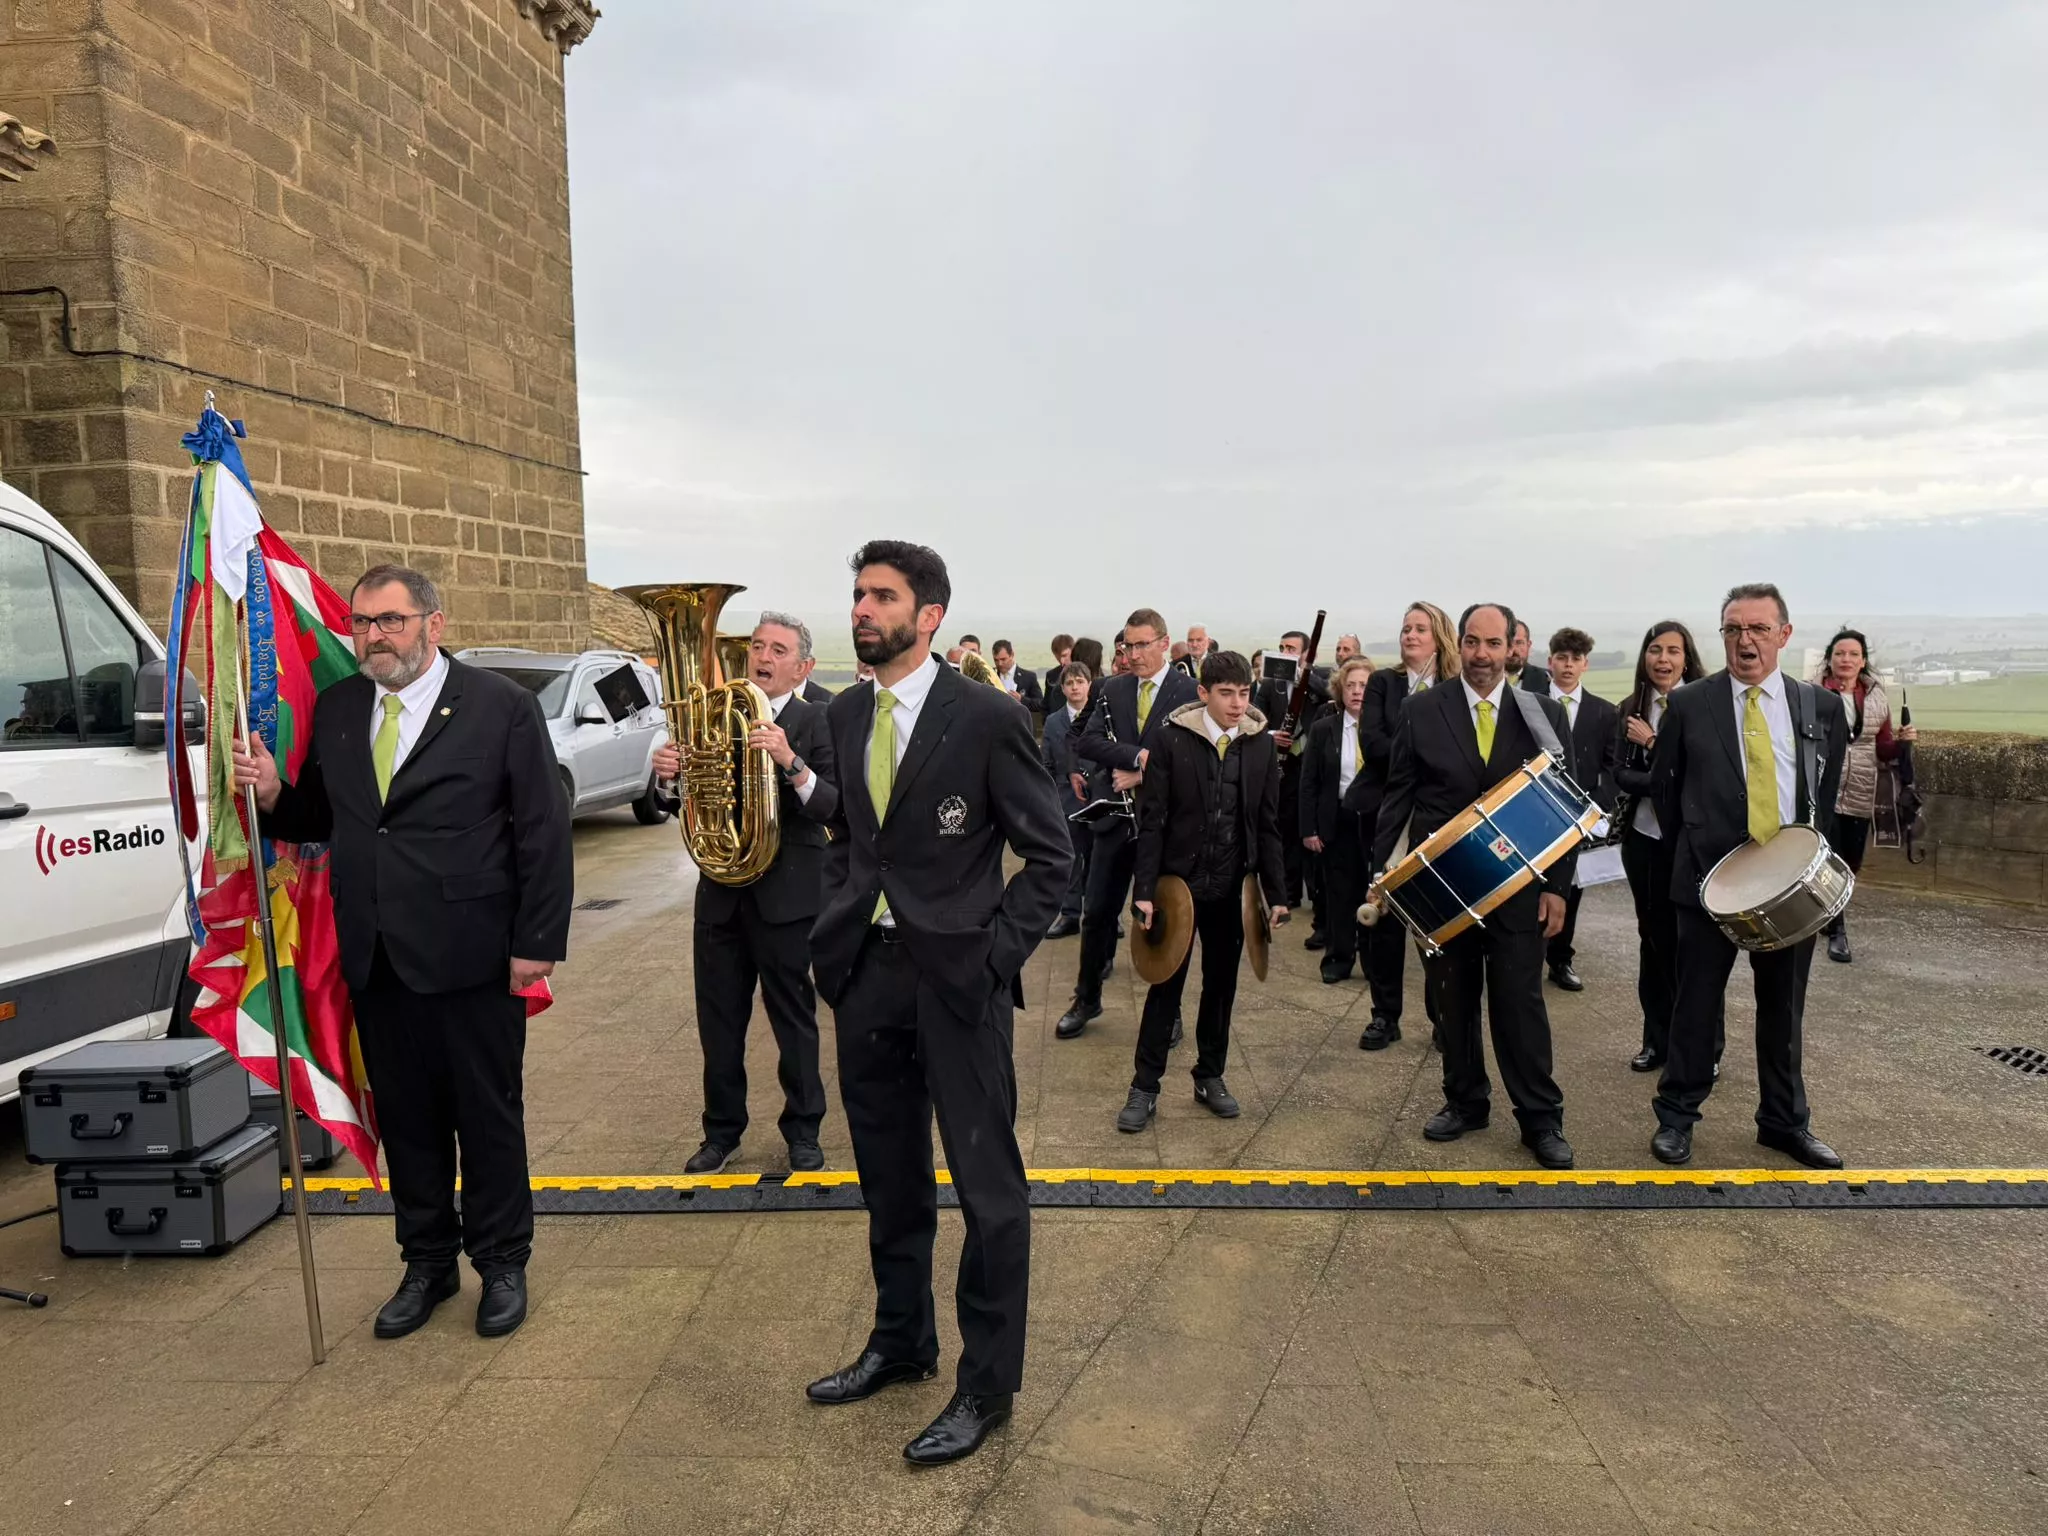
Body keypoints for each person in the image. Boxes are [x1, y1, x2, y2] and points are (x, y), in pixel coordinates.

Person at [233, 564, 571, 1341]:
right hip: (377, 957)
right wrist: (275, 794)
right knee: (409, 1121)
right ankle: (427, 1262)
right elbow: (327, 818)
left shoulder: (501, 708)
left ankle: (502, 1263)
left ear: (433, 624)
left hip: (475, 954)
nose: (374, 637)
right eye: (362, 623)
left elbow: (543, 832)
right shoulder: (342, 706)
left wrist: (536, 944)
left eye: (391, 621)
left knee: (486, 1117)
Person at [805, 540, 1070, 1466]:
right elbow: (850, 836)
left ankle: (986, 1386)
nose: (862, 609)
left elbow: (1052, 858)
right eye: (858, 595)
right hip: (866, 976)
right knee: (889, 1179)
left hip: (959, 982)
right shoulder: (845, 712)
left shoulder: (988, 717)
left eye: (882, 596)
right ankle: (901, 1341)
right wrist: (836, 930)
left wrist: (992, 959)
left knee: (988, 1192)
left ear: (929, 617)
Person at [1646, 582, 1848, 1170]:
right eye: (1733, 629)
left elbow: (1825, 794)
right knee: (1695, 1006)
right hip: (1708, 885)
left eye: (1758, 628)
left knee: (1783, 1010)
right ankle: (1677, 1118)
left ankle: (1784, 1123)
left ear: (1784, 634)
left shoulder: (1820, 707)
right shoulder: (1690, 704)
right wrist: (1699, 856)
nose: (1745, 640)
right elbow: (1664, 789)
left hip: (1787, 888)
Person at [1373, 602, 1576, 1170]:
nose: (1481, 655)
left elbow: (1564, 806)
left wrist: (1558, 888)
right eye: (1471, 642)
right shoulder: (1420, 710)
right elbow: (1398, 796)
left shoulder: (1542, 715)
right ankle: (1465, 1102)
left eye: (1493, 643)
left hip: (1519, 887)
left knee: (1519, 1004)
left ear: (1512, 648)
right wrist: (1382, 875)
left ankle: (1540, 1119)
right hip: (1443, 887)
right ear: (1458, 644)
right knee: (1452, 1001)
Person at [651, 614, 839, 1177]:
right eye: (758, 646)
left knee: (794, 1020)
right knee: (718, 1023)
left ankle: (803, 1131)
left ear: (803, 667)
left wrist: (790, 761)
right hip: (721, 896)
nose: (763, 656)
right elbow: (690, 803)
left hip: (788, 898)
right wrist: (670, 777)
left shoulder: (818, 719)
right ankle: (721, 1132)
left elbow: (834, 806)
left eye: (779, 649)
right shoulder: (716, 716)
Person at [1117, 651, 1287, 1130]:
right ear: (1203, 693)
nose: (1237, 704)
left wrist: (1277, 894)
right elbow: (1153, 821)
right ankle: (1144, 1087)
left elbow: (1268, 824)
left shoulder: (1260, 745)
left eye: (1244, 694)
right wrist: (1144, 890)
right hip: (1178, 888)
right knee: (1164, 988)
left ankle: (1210, 1076)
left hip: (1232, 890)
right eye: (1226, 694)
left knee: (1221, 987)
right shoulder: (1170, 739)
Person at [1055, 609, 1199, 1039]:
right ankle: (1087, 997)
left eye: (1141, 645)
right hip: (1115, 823)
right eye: (1127, 646)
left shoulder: (1189, 690)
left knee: (1166, 920)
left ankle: (1169, 1012)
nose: (1133, 654)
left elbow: (1196, 758)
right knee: (1097, 912)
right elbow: (1087, 740)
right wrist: (1136, 756)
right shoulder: (1112, 688)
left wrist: (1145, 774)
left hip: (1167, 827)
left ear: (1164, 643)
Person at [1356, 601, 1458, 1050]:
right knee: (1384, 916)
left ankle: (1443, 1016)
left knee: (1437, 920)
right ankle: (1385, 1016)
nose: (1410, 636)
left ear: (1439, 637)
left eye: (1420, 629)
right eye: (1405, 629)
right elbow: (1373, 744)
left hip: (1441, 818)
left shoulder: (1455, 688)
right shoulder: (1384, 682)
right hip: (1392, 814)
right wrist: (1426, 750)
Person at [1613, 621, 1706, 1073]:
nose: (1663, 659)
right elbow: (1620, 774)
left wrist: (1651, 744)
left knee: (1695, 948)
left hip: (1689, 845)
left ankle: (1702, 1049)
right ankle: (1656, 1039)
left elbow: (1696, 777)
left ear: (1687, 659)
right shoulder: (1630, 708)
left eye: (1673, 651)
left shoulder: (1703, 707)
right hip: (1644, 841)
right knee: (1652, 941)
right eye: (1655, 649)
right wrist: (1659, 779)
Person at [1815, 628, 1914, 963]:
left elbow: (1882, 749)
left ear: (1863, 661)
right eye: (1839, 653)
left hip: (1861, 791)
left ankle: (1829, 916)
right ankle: (1838, 930)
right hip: (1823, 791)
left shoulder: (1876, 699)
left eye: (1853, 654)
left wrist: (1902, 742)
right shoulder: (1810, 694)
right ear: (1829, 659)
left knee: (1852, 862)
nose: (1846, 659)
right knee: (1830, 860)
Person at [1540, 627, 1618, 992]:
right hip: (1537, 810)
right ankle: (1525, 958)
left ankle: (1560, 960)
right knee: (1530, 885)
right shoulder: (1531, 705)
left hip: (1581, 815)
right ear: (1549, 662)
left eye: (1575, 659)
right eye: (1561, 658)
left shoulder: (1604, 712)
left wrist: (1596, 805)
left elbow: (1612, 766)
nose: (1568, 665)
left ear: (1585, 664)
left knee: (1571, 887)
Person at [1301, 657, 1375, 984]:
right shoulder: (1323, 729)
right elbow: (1309, 782)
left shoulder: (1387, 728)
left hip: (1375, 822)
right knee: (1339, 895)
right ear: (1340, 690)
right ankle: (1338, 959)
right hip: (1338, 820)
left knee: (1373, 894)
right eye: (1351, 685)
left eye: (1364, 685)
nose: (1357, 691)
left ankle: (1374, 963)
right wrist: (1309, 828)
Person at [1253, 629, 1329, 939]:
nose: (1285, 653)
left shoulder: (1319, 677)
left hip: (1310, 760)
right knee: (1284, 824)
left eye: (1292, 649)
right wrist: (1271, 736)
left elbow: (1330, 694)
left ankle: (1314, 891)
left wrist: (1303, 675)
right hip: (1283, 762)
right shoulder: (1270, 684)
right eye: (1282, 647)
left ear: (1305, 654)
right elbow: (1255, 717)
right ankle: (1289, 891)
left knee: (1308, 826)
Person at [1042, 661, 1095, 938]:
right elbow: (1047, 764)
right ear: (1062, 689)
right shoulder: (1053, 721)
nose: (1075, 687)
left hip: (1099, 800)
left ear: (1089, 685)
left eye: (1080, 682)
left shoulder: (1101, 716)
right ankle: (1070, 915)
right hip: (1065, 801)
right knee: (1071, 861)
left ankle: (1103, 914)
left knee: (1099, 861)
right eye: (1070, 683)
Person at [991, 639, 1044, 715]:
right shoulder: (990, 675)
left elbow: (1040, 704)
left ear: (1012, 655)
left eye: (1003, 659)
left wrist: (1021, 699)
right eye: (996, 660)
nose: (1000, 664)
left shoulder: (1029, 677)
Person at [1508, 620, 1549, 694]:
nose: (1513, 649)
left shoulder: (1546, 680)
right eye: (1508, 643)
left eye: (1519, 643)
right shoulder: (1485, 678)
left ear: (1528, 645)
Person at [1042, 633, 1075, 701]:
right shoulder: (1051, 675)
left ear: (1073, 650)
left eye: (1065, 655)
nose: (1061, 661)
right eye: (1057, 657)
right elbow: (1046, 704)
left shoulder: (1087, 672)